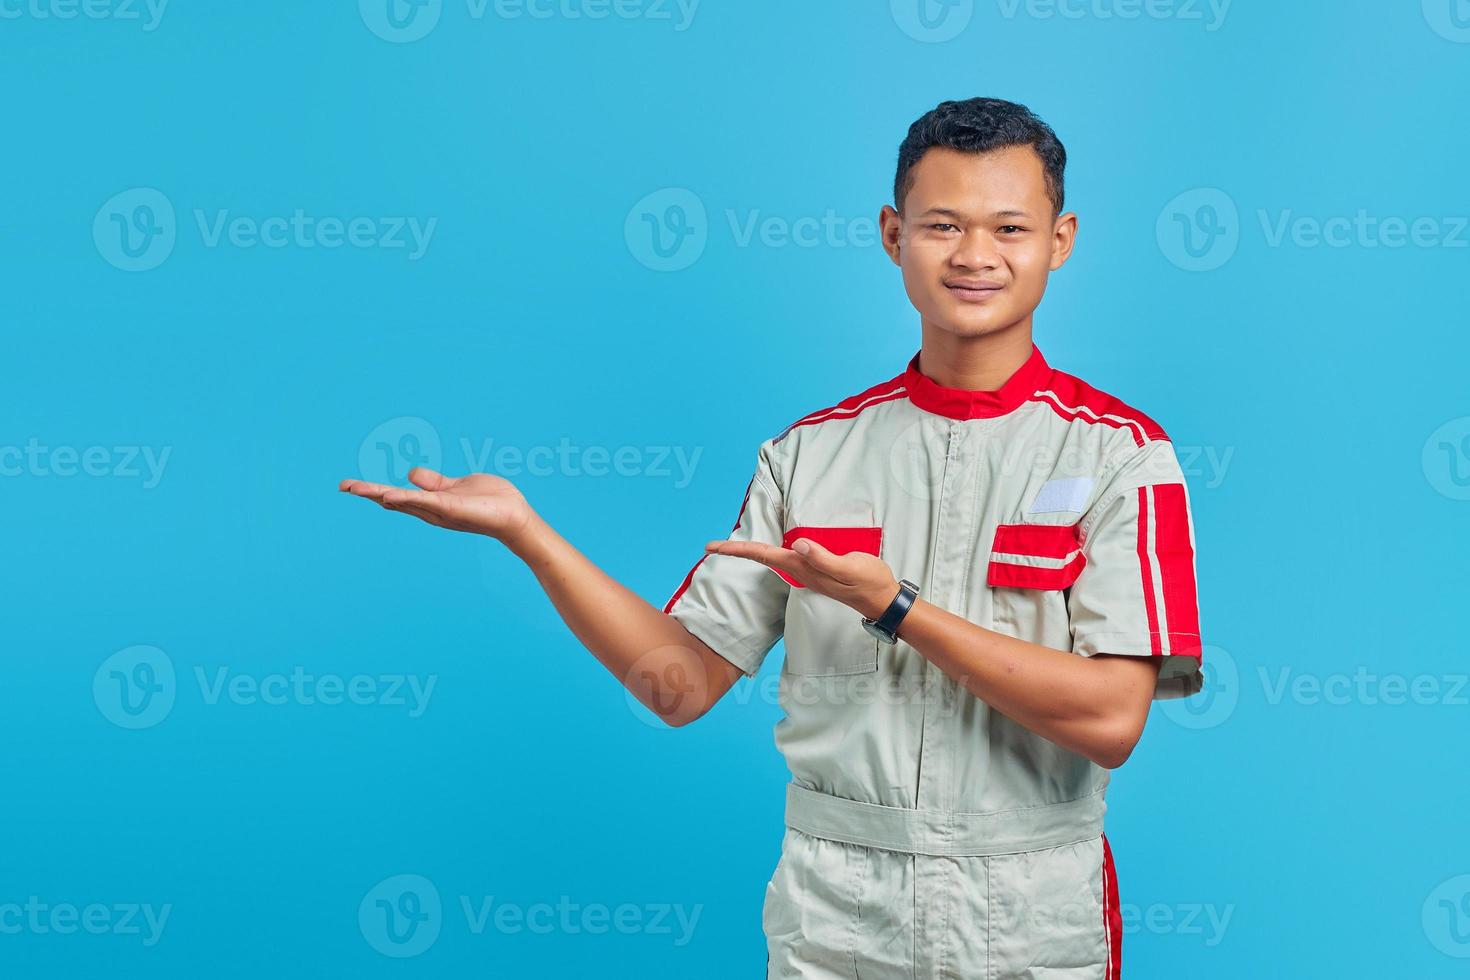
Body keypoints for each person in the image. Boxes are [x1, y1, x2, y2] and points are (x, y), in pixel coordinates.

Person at [340, 96, 1205, 979]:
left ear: (1059, 240)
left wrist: (894, 606)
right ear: (891, 233)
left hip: (1031, 914)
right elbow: (678, 685)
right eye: (942, 224)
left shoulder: (1119, 457)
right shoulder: (809, 458)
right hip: (837, 917)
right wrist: (529, 535)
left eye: (1009, 227)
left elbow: (1109, 719)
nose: (976, 255)